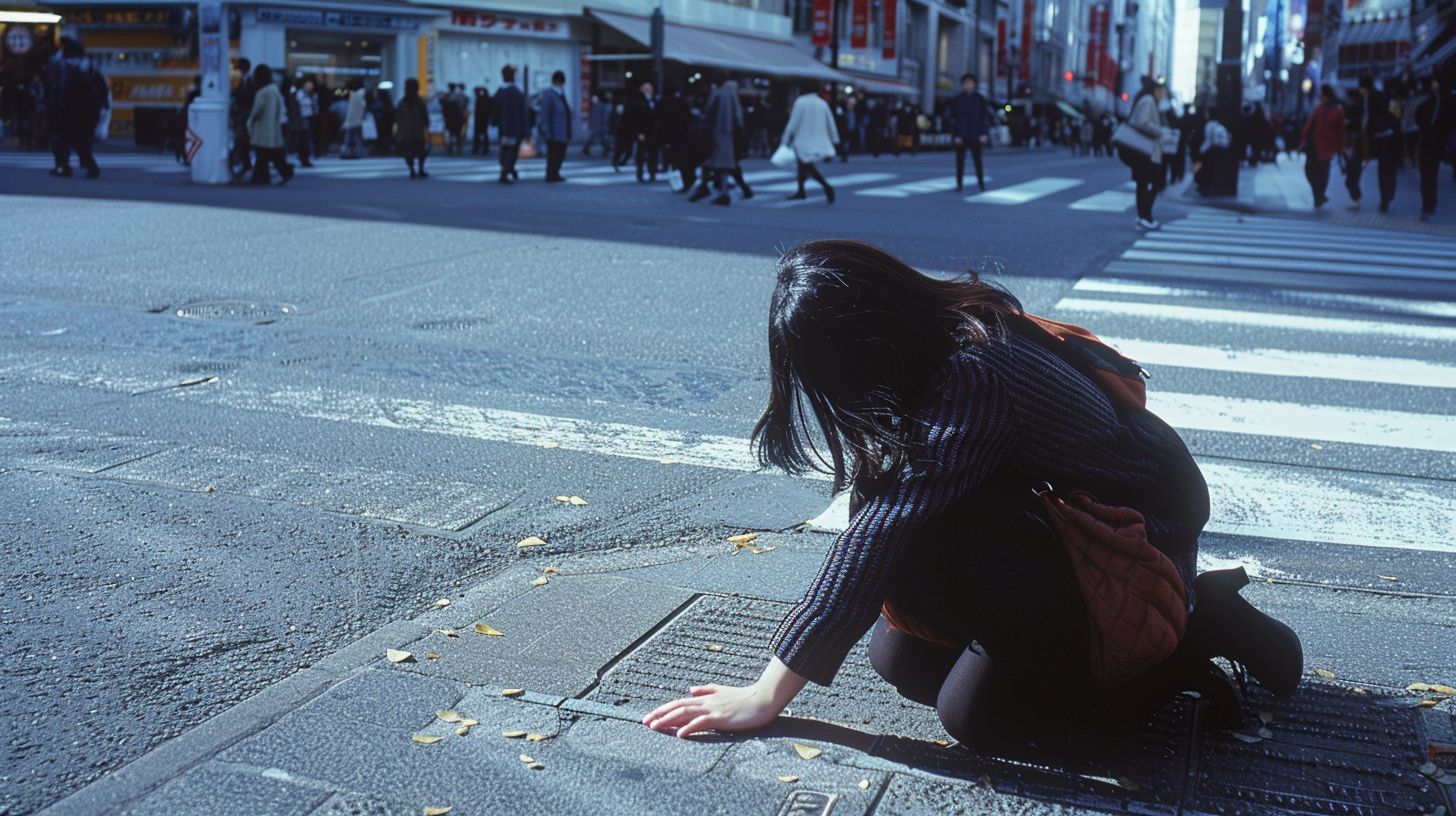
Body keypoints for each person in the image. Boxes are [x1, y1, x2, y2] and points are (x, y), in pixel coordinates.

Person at [642, 241, 1303, 749]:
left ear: (867, 348)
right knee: (899, 656)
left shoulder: (974, 372)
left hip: (1134, 539)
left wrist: (767, 692)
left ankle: (1194, 632)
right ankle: (1104, 656)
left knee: (978, 719)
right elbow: (895, 515)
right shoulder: (947, 324)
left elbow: (886, 526)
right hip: (1049, 525)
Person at [49, 39, 109, 179]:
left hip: (71, 112)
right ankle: (87, 166)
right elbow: (102, 88)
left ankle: (65, 167)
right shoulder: (89, 68)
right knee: (81, 141)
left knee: (63, 140)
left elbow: (62, 92)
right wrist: (103, 105)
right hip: (86, 112)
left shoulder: (69, 69)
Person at [690, 78, 753, 206]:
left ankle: (709, 189)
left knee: (711, 162)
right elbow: (738, 115)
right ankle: (734, 190)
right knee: (726, 165)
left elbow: (709, 112)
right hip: (729, 134)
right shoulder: (732, 93)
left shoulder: (718, 93)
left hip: (717, 133)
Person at [780, 83, 839, 204]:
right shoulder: (822, 103)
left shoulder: (800, 102)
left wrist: (785, 139)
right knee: (803, 167)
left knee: (806, 166)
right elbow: (830, 122)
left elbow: (793, 123)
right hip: (819, 140)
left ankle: (826, 186)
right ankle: (801, 191)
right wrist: (835, 140)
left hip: (803, 140)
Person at [1125, 76, 1170, 230]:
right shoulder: (1149, 101)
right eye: (1163, 91)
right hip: (1144, 151)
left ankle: (1145, 216)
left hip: (1145, 151)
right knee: (1152, 182)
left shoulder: (1149, 101)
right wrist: (1160, 131)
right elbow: (1142, 122)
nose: (1164, 95)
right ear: (1157, 90)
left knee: (1145, 183)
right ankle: (1144, 216)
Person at [1414, 69, 1455, 221]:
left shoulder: (1436, 99)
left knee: (1427, 175)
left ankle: (1428, 205)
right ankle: (1429, 204)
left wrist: (1426, 129)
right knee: (1431, 174)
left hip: (1430, 141)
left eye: (1434, 81)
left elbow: (1420, 115)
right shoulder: (1447, 98)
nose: (1432, 83)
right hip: (1438, 143)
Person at [245, 64, 293, 186]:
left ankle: (264, 176)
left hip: (262, 127)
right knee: (269, 154)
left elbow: (257, 110)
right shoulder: (274, 90)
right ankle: (270, 174)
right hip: (273, 126)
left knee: (263, 154)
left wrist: (250, 121)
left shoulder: (263, 92)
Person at [1301, 85, 1346, 209]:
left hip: (1327, 145)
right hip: (1314, 144)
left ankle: (1318, 197)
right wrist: (1304, 139)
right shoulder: (1319, 108)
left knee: (1322, 172)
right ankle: (1319, 194)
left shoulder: (1337, 110)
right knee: (1310, 170)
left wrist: (1340, 147)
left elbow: (1340, 131)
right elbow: (1310, 125)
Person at [948, 73, 989, 192]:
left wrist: (984, 133)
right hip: (961, 134)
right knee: (960, 161)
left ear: (975, 85)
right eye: (966, 84)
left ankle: (981, 183)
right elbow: (953, 119)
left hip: (976, 134)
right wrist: (955, 135)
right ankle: (959, 184)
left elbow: (984, 118)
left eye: (971, 83)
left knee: (978, 161)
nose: (968, 86)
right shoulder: (957, 100)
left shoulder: (980, 99)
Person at [535, 70, 572, 183]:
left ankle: (555, 172)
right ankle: (551, 173)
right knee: (553, 153)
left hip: (562, 129)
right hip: (554, 130)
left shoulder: (561, 93)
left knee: (561, 152)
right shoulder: (549, 94)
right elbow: (545, 113)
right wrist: (545, 129)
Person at [493, 65, 527, 184]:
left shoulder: (500, 92)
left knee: (504, 149)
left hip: (503, 127)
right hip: (515, 127)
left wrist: (494, 122)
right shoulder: (518, 93)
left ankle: (506, 169)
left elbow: (495, 110)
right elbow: (524, 112)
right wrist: (526, 129)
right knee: (512, 151)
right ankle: (507, 170)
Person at [391, 78, 429, 179]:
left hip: (406, 132)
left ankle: (412, 170)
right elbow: (424, 116)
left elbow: (397, 118)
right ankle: (420, 169)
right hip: (417, 131)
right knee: (421, 151)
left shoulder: (402, 103)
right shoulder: (419, 101)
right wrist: (426, 124)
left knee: (408, 151)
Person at [623, 80, 660, 182]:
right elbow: (634, 119)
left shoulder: (656, 101)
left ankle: (652, 173)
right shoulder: (637, 101)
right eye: (646, 87)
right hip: (642, 132)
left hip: (654, 133)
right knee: (641, 155)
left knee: (653, 154)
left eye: (650, 87)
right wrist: (638, 132)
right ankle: (640, 173)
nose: (648, 89)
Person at [228, 57, 255, 177]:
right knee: (242, 141)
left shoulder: (250, 81)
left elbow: (249, 98)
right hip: (242, 115)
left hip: (246, 115)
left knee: (242, 140)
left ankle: (244, 164)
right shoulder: (244, 80)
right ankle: (245, 164)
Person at [292, 77, 317, 167]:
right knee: (303, 140)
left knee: (306, 139)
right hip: (301, 119)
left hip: (309, 118)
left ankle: (305, 158)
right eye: (308, 85)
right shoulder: (298, 94)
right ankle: (303, 158)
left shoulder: (312, 95)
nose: (310, 87)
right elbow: (295, 109)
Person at [340, 80, 366, 159]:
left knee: (350, 138)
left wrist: (346, 122)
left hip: (353, 121)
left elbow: (352, 111)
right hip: (357, 120)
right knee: (355, 138)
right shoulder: (360, 94)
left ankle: (349, 153)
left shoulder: (356, 95)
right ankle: (354, 153)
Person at [441, 83, 465, 155]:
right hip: (457, 117)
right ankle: (458, 148)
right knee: (457, 134)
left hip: (450, 117)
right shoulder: (459, 96)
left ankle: (451, 148)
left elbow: (443, 106)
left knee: (451, 133)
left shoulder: (446, 96)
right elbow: (463, 106)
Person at [472, 85, 493, 156]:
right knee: (484, 134)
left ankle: (477, 148)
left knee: (478, 134)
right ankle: (484, 148)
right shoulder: (487, 99)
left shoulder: (479, 99)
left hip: (480, 119)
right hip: (484, 119)